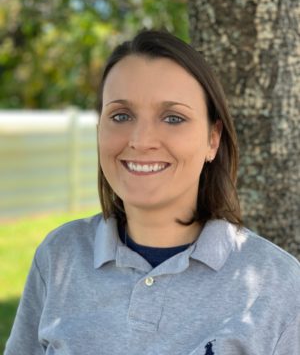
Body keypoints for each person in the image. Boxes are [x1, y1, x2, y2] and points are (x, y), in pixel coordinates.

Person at [5, 30, 300, 355]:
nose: (141, 140)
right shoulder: (59, 256)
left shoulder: (279, 284)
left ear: (212, 140)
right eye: (121, 116)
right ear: (100, 129)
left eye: (173, 118)